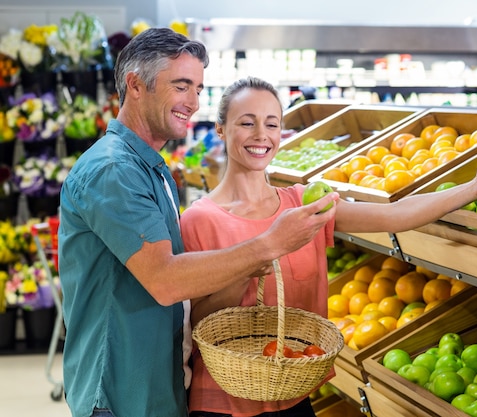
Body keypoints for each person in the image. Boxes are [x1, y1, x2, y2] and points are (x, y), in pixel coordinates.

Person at [180, 76, 477, 417]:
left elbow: (395, 215)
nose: (261, 135)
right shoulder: (200, 220)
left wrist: (475, 187)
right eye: (246, 122)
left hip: (293, 396)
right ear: (222, 129)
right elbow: (199, 322)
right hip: (224, 403)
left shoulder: (305, 207)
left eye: (272, 124)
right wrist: (259, 254)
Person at [57, 29, 338, 417]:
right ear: (135, 86)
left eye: (199, 88)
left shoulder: (150, 169)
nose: (193, 102)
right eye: (181, 86)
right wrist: (268, 245)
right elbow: (165, 280)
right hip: (119, 394)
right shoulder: (114, 170)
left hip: (153, 387)